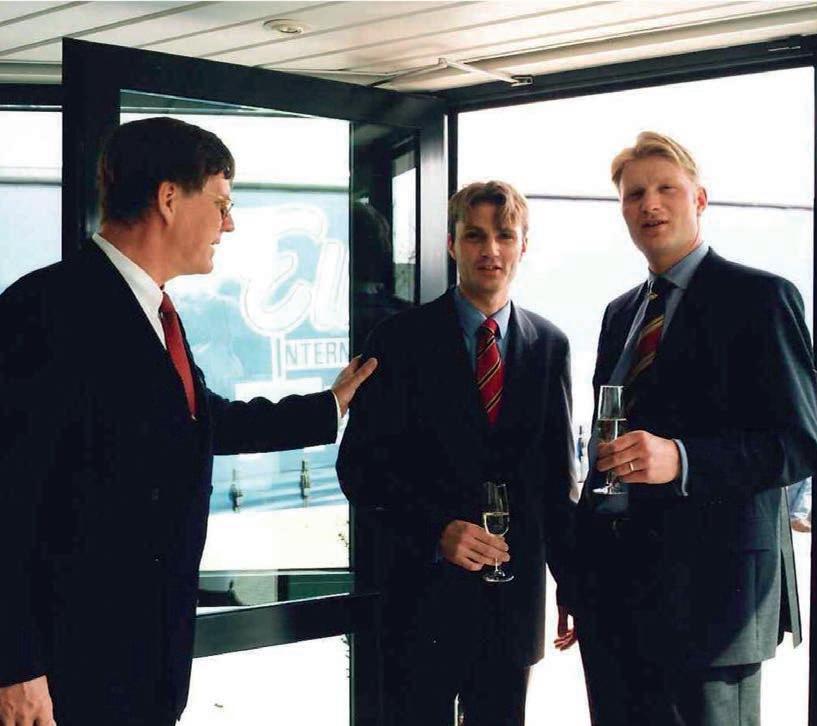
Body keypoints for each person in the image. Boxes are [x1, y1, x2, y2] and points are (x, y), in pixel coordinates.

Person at [0, 116, 376, 726]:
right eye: (222, 204)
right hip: (68, 673)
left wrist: (327, 406)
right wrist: (14, 666)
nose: (229, 224)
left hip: (141, 663)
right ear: (169, 199)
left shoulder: (151, 310)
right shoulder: (44, 311)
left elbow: (198, 420)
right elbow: (7, 503)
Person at [573, 131, 817, 725]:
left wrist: (681, 459)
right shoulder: (620, 313)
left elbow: (799, 443)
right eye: (635, 195)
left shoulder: (761, 298)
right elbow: (607, 450)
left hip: (713, 605)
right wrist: (578, 578)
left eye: (667, 189)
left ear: (700, 199)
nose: (650, 205)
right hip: (615, 597)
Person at [337, 180, 577, 726]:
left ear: (523, 246)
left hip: (511, 607)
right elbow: (360, 469)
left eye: (504, 236)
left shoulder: (550, 345)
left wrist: (572, 583)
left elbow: (557, 483)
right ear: (451, 244)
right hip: (419, 602)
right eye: (474, 236)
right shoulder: (398, 340)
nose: (490, 250)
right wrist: (435, 531)